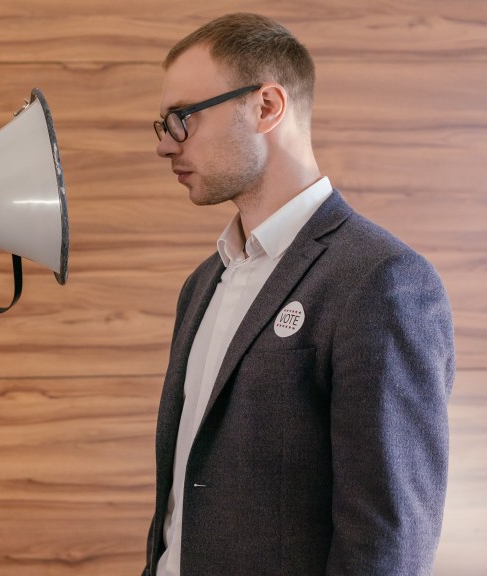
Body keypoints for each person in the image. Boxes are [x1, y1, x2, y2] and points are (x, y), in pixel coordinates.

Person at [145, 13, 454, 576]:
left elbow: (389, 539)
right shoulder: (202, 284)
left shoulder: (381, 280)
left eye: (182, 118)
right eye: (162, 124)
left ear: (267, 106)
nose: (167, 145)